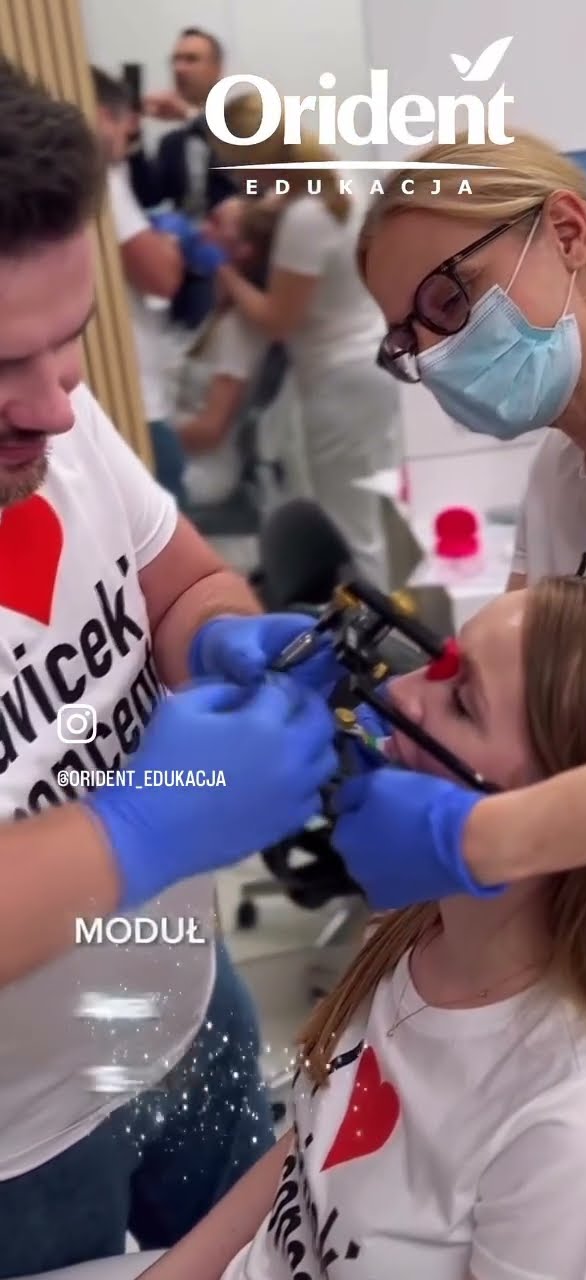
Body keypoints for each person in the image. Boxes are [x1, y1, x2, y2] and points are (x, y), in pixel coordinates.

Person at [134, 576, 586, 1280]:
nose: (403, 694)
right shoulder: (415, 935)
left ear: (561, 810)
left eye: (462, 702)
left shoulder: (585, 1139)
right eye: (443, 661)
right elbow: (310, 1155)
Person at [0, 58, 338, 1276]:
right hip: (22, 1146)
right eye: (2, 370)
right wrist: (140, 825)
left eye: (70, 344)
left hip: (186, 1010)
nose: (55, 408)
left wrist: (218, 639)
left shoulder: (57, 414)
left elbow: (183, 576)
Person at [264, 129, 586, 908]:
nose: (435, 354)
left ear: (568, 234)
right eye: (409, 339)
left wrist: (496, 837)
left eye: (450, 299)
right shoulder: (559, 473)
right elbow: (512, 701)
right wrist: (380, 717)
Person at [209, 92, 401, 587]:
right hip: (369, 367)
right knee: (364, 516)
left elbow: (278, 319)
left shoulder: (307, 215)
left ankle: (376, 631)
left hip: (339, 382)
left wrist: (224, 274)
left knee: (350, 530)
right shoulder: (338, 182)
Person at [92, 66, 188, 507]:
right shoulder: (102, 179)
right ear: (101, 115)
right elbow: (161, 277)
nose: (131, 133)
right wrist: (169, 245)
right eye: (124, 122)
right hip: (132, 403)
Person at [175, 200, 283, 507]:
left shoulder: (238, 331)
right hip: (184, 454)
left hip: (202, 470)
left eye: (215, 222)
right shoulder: (219, 311)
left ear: (244, 250)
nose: (200, 229)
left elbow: (211, 430)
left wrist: (145, 434)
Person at [128, 28, 236, 217]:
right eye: (175, 60)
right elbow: (148, 197)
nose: (179, 69)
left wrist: (189, 114)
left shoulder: (242, 127)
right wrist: (132, 133)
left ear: (217, 69)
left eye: (191, 59)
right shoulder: (172, 143)